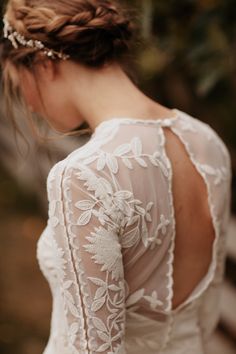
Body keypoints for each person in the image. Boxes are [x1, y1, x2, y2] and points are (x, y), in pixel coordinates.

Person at [0, 1, 232, 353]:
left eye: (20, 85)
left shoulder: (83, 175)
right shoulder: (207, 144)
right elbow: (206, 314)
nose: (29, 104)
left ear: (44, 66)